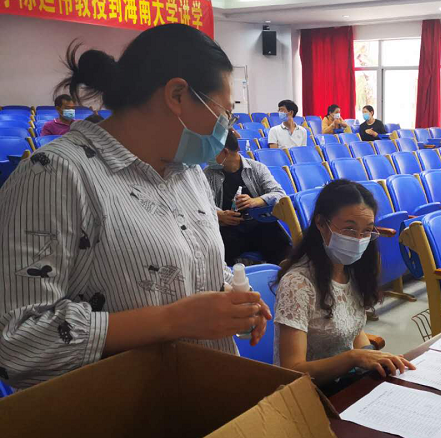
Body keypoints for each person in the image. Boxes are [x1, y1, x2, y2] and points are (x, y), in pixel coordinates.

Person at [0, 24, 271, 390]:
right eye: (224, 113)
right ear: (177, 95)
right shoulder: (55, 174)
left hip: (206, 393)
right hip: (121, 411)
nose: (227, 127)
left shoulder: (189, 172)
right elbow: (15, 341)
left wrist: (228, 297)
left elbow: (187, 267)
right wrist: (172, 321)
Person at [274, 179, 414, 389]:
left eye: (366, 231)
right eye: (349, 229)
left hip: (344, 383)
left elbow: (353, 330)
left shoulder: (353, 270)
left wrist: (373, 359)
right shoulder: (297, 284)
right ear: (321, 224)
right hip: (308, 393)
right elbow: (292, 370)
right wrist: (354, 358)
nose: (358, 239)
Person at [205, 130, 292, 266]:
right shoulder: (208, 175)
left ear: (224, 152)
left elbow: (280, 194)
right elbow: (203, 204)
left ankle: (282, 270)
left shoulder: (257, 168)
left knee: (277, 238)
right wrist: (220, 215)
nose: (207, 157)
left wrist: (255, 201)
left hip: (258, 224)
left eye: (210, 152)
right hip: (228, 228)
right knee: (214, 247)